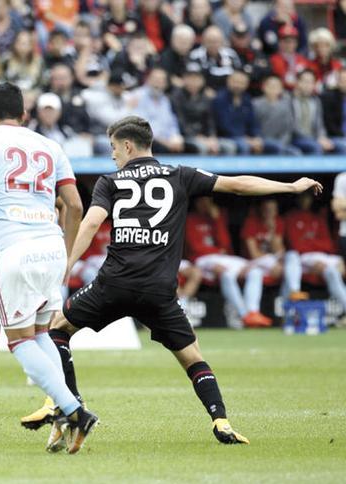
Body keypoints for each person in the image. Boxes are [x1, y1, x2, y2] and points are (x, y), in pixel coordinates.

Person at [46, 115, 322, 447]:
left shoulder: (111, 181)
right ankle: (221, 420)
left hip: (114, 283)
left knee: (58, 330)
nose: (113, 155)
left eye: (114, 147)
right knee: (193, 357)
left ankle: (74, 406)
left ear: (128, 145)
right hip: (159, 290)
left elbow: (90, 225)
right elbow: (237, 184)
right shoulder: (181, 175)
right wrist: (290, 186)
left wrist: (66, 265)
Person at [0, 82, 95, 454]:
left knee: (19, 341)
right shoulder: (51, 146)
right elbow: (74, 205)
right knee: (40, 336)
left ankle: (74, 410)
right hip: (51, 246)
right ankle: (64, 409)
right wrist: (67, 256)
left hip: (13, 247)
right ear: (24, 115)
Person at [187, 196, 271, 327]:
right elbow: (195, 247)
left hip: (223, 257)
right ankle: (245, 315)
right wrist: (217, 250)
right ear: (196, 203)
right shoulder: (190, 219)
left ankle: (252, 312)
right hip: (202, 260)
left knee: (255, 271)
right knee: (226, 274)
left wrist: (217, 220)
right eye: (202, 201)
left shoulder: (217, 217)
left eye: (208, 201)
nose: (205, 205)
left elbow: (225, 244)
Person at [284, 192, 346, 326]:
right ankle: (295, 292)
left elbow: (328, 244)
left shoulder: (317, 218)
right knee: (292, 256)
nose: (305, 200)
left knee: (334, 270)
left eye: (308, 197)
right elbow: (296, 245)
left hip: (320, 256)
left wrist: (309, 242)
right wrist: (313, 243)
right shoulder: (291, 217)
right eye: (302, 197)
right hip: (302, 258)